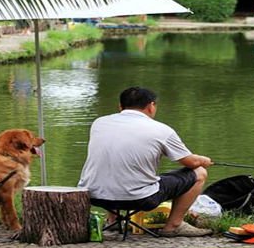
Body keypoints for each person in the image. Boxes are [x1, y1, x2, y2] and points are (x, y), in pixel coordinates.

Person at [78, 86, 213, 237]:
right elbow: (190, 163)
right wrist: (203, 160)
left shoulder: (99, 123)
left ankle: (112, 221)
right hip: (141, 200)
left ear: (120, 106)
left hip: (94, 196)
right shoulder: (162, 130)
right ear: (151, 106)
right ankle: (173, 226)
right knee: (200, 172)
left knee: (113, 165)